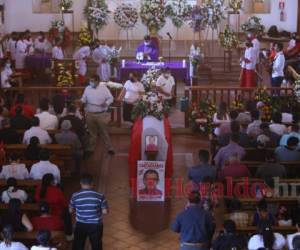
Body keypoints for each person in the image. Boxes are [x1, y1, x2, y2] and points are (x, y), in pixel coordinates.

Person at [70, 174, 109, 250]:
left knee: (78, 245)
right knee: (96, 245)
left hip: (80, 224)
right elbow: (105, 212)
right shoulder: (100, 195)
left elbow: (70, 210)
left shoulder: (75, 195)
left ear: (80, 183)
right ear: (92, 183)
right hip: (95, 225)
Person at [81, 75, 114, 156]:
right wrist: (81, 101)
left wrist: (106, 103)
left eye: (92, 81)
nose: (90, 82)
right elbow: (84, 98)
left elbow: (111, 98)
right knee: (92, 133)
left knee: (104, 132)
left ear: (97, 81)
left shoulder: (104, 88)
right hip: (90, 114)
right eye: (90, 81)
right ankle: (90, 149)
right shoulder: (87, 88)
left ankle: (110, 148)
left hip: (101, 114)